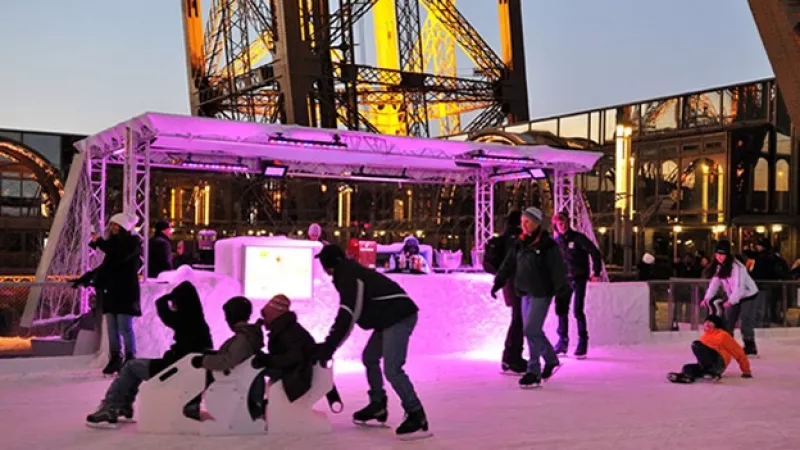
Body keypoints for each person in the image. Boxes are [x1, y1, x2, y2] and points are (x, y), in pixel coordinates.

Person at [314, 244, 430, 439]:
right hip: (388, 316)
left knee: (393, 369)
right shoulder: (347, 273)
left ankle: (416, 414)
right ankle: (378, 405)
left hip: (399, 315)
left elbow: (349, 313)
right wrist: (330, 345)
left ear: (329, 264)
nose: (323, 269)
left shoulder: (349, 276)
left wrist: (330, 345)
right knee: (369, 358)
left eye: (324, 264)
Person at [85, 281, 214, 428]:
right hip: (182, 368)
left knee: (130, 367)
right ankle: (122, 406)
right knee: (135, 367)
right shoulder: (197, 321)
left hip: (174, 369)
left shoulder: (186, 319)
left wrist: (167, 297)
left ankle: (111, 407)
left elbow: (163, 310)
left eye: (175, 302)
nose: (173, 306)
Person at [491, 207, 568, 388]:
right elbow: (508, 264)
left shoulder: (548, 245)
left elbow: (558, 271)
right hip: (524, 292)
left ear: (536, 223)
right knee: (532, 330)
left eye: (527, 222)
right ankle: (549, 360)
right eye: (522, 222)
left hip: (542, 293)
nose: (523, 226)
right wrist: (498, 282)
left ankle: (535, 370)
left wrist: (561, 295)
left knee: (531, 330)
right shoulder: (520, 243)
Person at [73, 212, 143, 374]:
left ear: (124, 227)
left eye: (116, 225)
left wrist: (100, 243)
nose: (112, 228)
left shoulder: (132, 243)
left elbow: (119, 255)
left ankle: (130, 357)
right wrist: (86, 278)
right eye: (111, 225)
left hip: (126, 291)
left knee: (124, 326)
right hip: (111, 291)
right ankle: (115, 357)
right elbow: (106, 266)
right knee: (112, 327)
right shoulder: (112, 245)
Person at [187, 296, 265, 420]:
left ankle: (191, 404)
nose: (226, 319)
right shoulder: (247, 336)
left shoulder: (242, 339)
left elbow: (228, 360)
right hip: (238, 382)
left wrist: (203, 361)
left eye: (227, 315)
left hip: (233, 383)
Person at [552, 211, 603, 359]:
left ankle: (582, 342)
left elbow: (595, 252)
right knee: (561, 310)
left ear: (567, 222)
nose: (560, 226)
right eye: (557, 224)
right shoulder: (557, 241)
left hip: (578, 278)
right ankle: (562, 341)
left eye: (562, 223)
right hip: (563, 280)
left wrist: (596, 272)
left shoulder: (578, 238)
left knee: (577, 310)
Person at [252, 295, 317, 404]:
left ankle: (256, 403)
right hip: (295, 371)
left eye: (265, 315)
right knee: (256, 366)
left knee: (255, 369)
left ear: (274, 315)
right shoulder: (285, 328)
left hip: (296, 376)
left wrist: (266, 360)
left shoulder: (289, 332)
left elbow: (291, 358)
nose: (264, 319)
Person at [482, 210, 525, 374]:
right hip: (517, 283)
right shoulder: (517, 239)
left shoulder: (505, 238)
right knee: (519, 321)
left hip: (509, 284)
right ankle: (512, 358)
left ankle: (511, 357)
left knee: (518, 320)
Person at [700, 240, 760, 356]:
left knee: (746, 320)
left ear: (727, 255)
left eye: (722, 255)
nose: (719, 257)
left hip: (748, 295)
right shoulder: (719, 267)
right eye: (717, 255)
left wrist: (731, 301)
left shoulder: (738, 267)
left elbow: (740, 287)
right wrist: (706, 298)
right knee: (728, 320)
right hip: (734, 296)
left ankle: (749, 346)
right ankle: (727, 344)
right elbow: (714, 284)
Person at [667, 306, 752, 383]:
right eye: (706, 322)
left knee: (696, 345)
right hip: (707, 365)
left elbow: (737, 351)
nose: (707, 323)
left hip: (718, 362)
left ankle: (711, 372)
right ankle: (687, 376)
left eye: (710, 322)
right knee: (688, 367)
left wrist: (746, 370)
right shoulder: (704, 337)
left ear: (716, 324)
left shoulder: (722, 335)